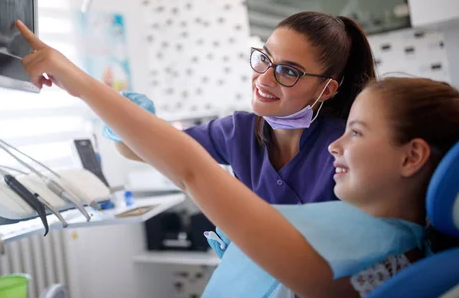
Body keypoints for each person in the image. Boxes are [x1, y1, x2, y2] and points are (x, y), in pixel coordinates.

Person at [16, 19, 459, 298]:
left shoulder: (373, 244)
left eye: (287, 70)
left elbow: (190, 169)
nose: (337, 146)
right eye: (264, 59)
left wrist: (79, 81)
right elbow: (166, 155)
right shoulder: (404, 248)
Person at [111, 11, 376, 206]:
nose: (263, 79)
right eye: (264, 59)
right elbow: (144, 150)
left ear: (325, 90)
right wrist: (122, 120)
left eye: (287, 71)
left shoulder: (346, 146)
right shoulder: (238, 132)